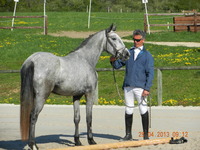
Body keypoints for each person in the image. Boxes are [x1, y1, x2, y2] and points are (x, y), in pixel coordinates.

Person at [110, 29, 154, 140]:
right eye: (134, 40)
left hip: (140, 87)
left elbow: (150, 73)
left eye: (138, 40)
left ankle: (145, 135)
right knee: (128, 109)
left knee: (143, 109)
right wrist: (112, 61)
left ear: (143, 40)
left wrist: (147, 88)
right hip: (128, 86)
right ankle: (128, 134)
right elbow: (118, 65)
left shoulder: (147, 56)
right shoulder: (128, 53)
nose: (135, 42)